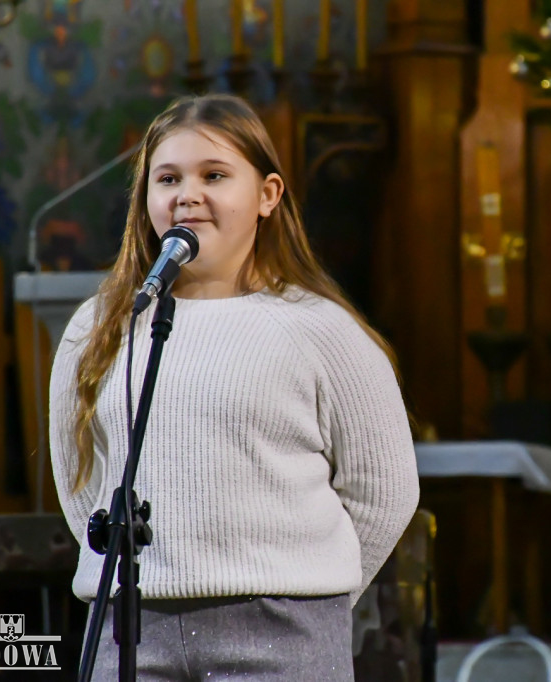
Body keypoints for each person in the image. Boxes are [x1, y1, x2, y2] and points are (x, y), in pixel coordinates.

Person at [48, 93, 420, 680]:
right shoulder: (100, 327)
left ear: (267, 195)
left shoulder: (322, 330)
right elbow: (82, 482)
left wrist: (312, 589)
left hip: (283, 630)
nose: (187, 195)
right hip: (131, 626)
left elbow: (385, 492)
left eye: (214, 175)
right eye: (168, 178)